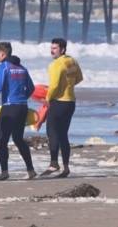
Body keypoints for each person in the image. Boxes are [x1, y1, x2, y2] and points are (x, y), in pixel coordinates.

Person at [0, 42, 36, 181]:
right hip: (22, 107)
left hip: (9, 107)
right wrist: (23, 98)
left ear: (3, 54)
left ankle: (4, 172)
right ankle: (30, 170)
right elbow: (31, 88)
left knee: (2, 140)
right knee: (18, 139)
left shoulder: (3, 67)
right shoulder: (22, 68)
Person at [41, 38, 83, 178]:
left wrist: (47, 99)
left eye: (55, 48)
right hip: (70, 102)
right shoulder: (72, 61)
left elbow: (52, 86)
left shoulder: (55, 64)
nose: (51, 50)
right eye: (51, 48)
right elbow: (79, 78)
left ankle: (54, 164)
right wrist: (68, 86)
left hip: (58, 102)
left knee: (51, 131)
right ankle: (66, 167)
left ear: (62, 49)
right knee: (63, 135)